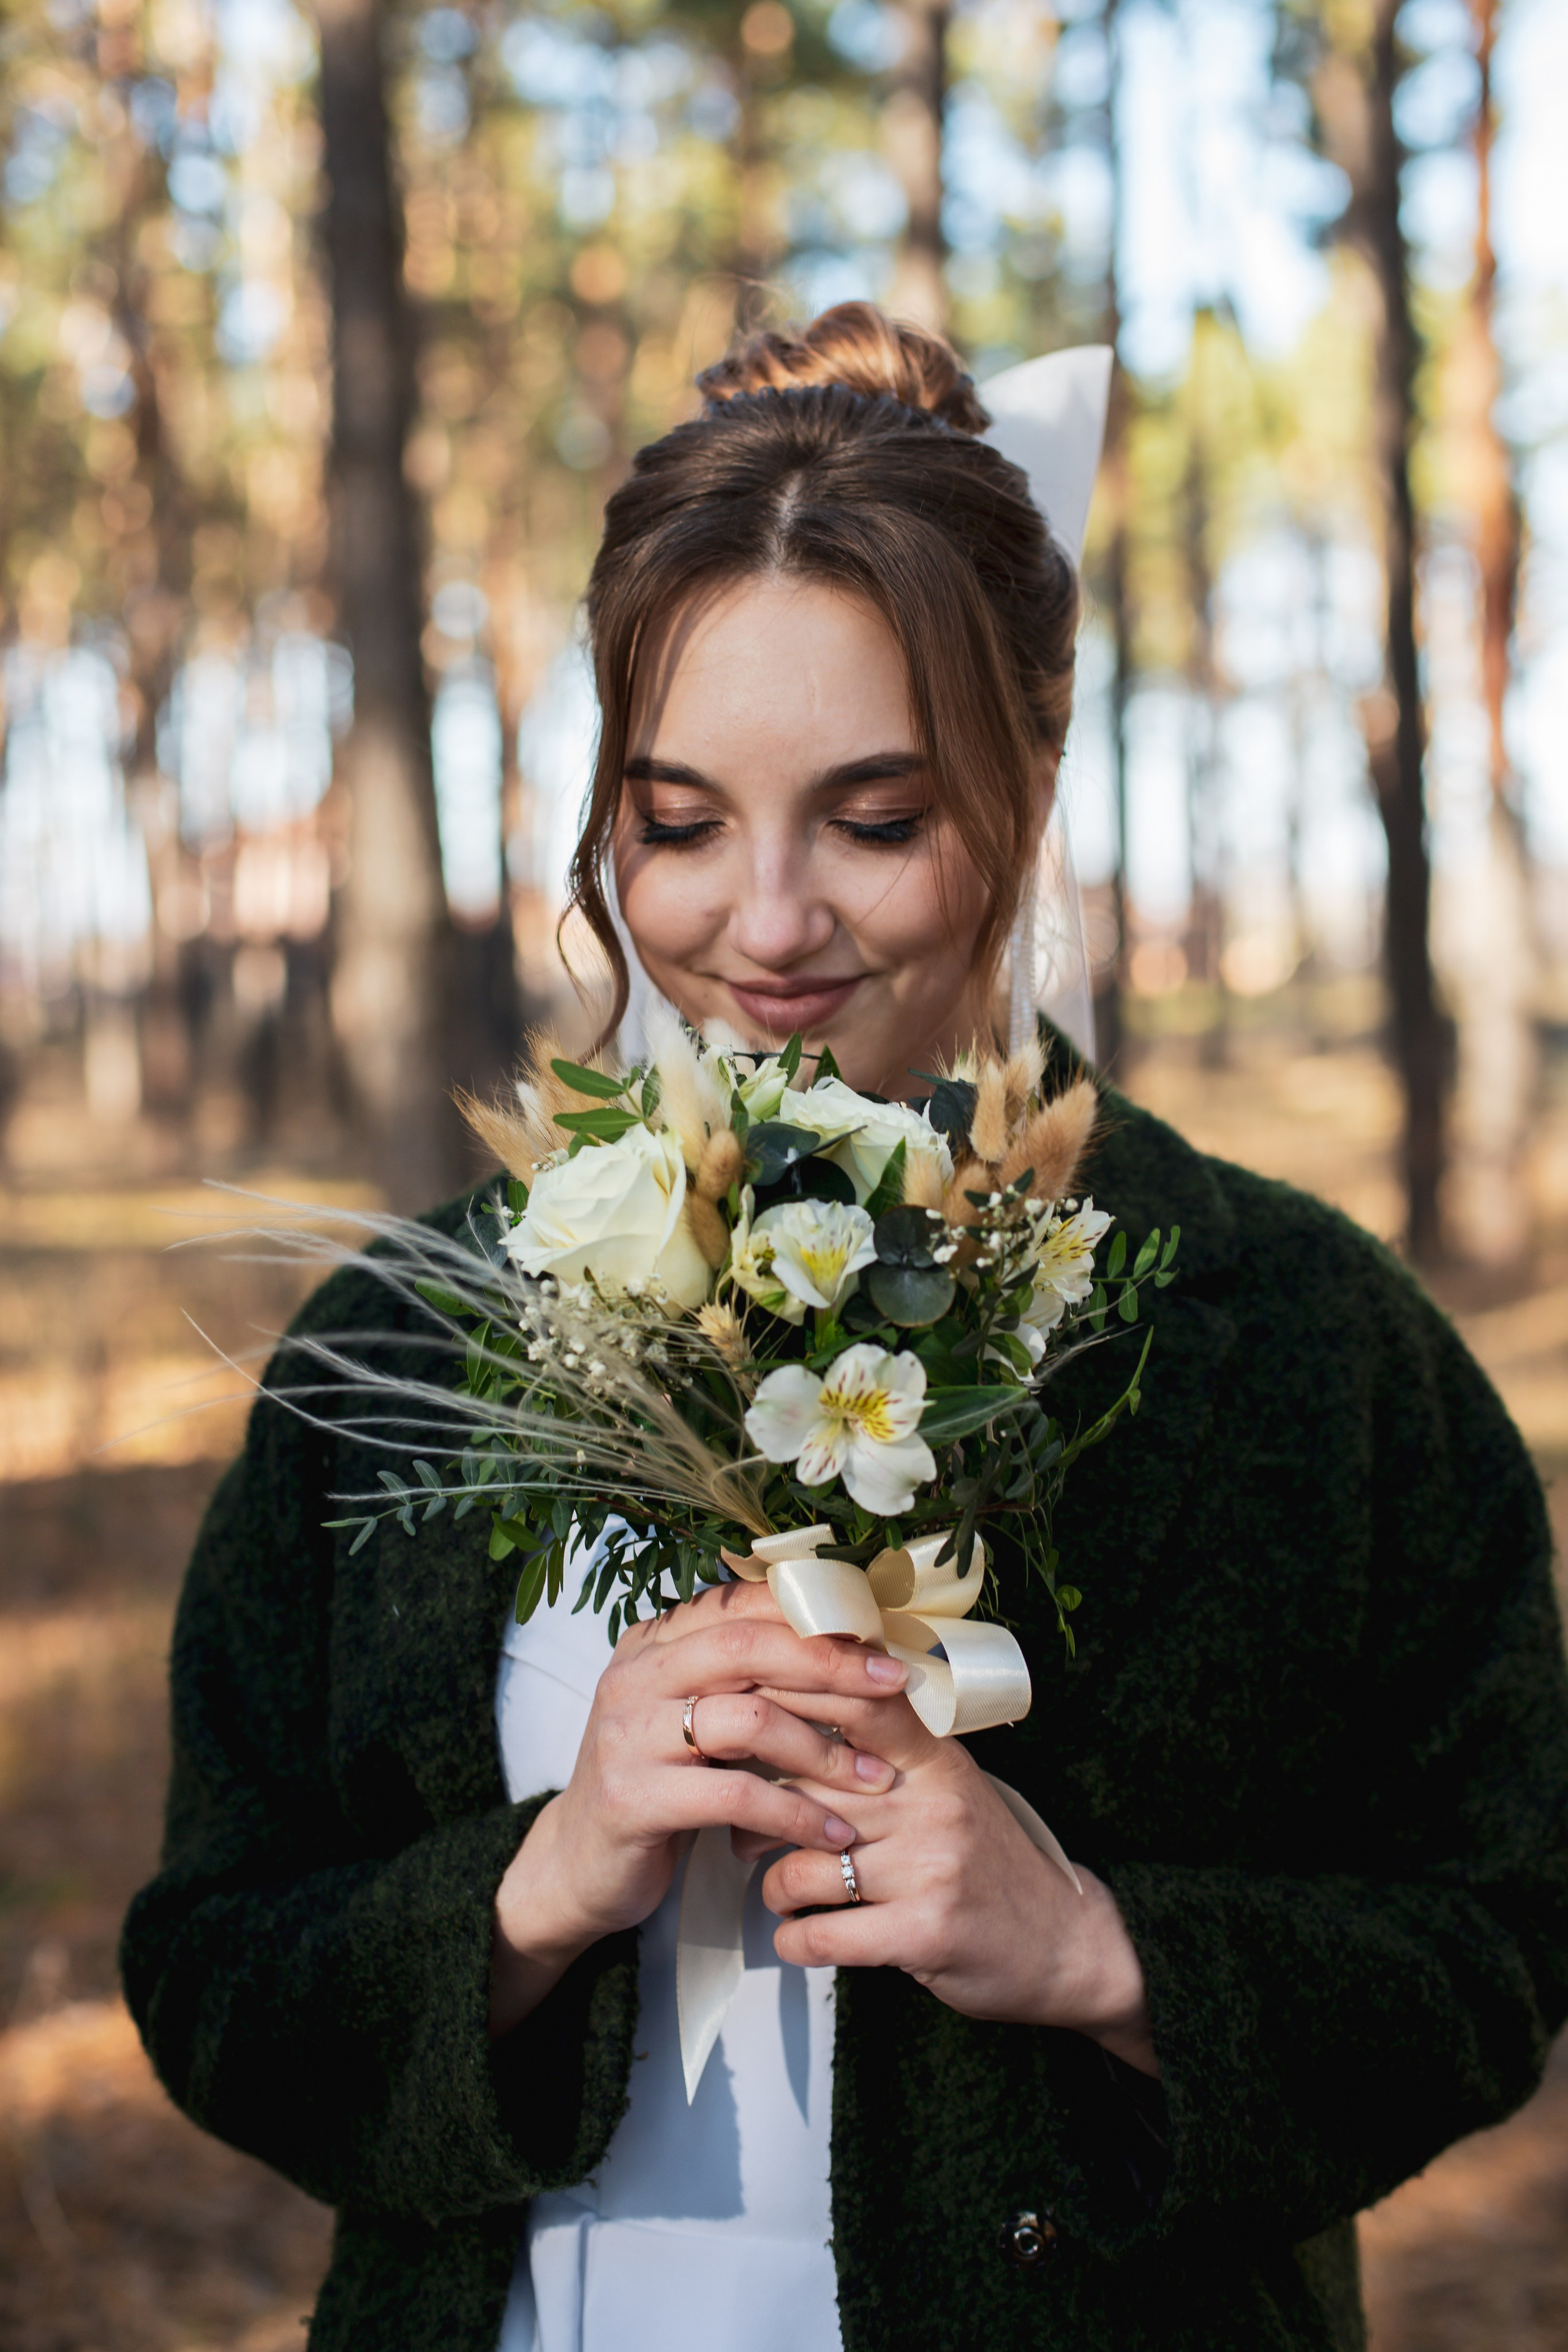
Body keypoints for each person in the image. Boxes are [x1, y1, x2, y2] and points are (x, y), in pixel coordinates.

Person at [123, 304, 1568, 2352]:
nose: (770, 922)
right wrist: (539, 1889)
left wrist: (1101, 1952)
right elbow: (213, 1969)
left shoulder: (1311, 1348)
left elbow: (1498, 1945)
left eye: (877, 820)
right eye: (682, 820)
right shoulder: (409, 1351)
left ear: (1030, 780)